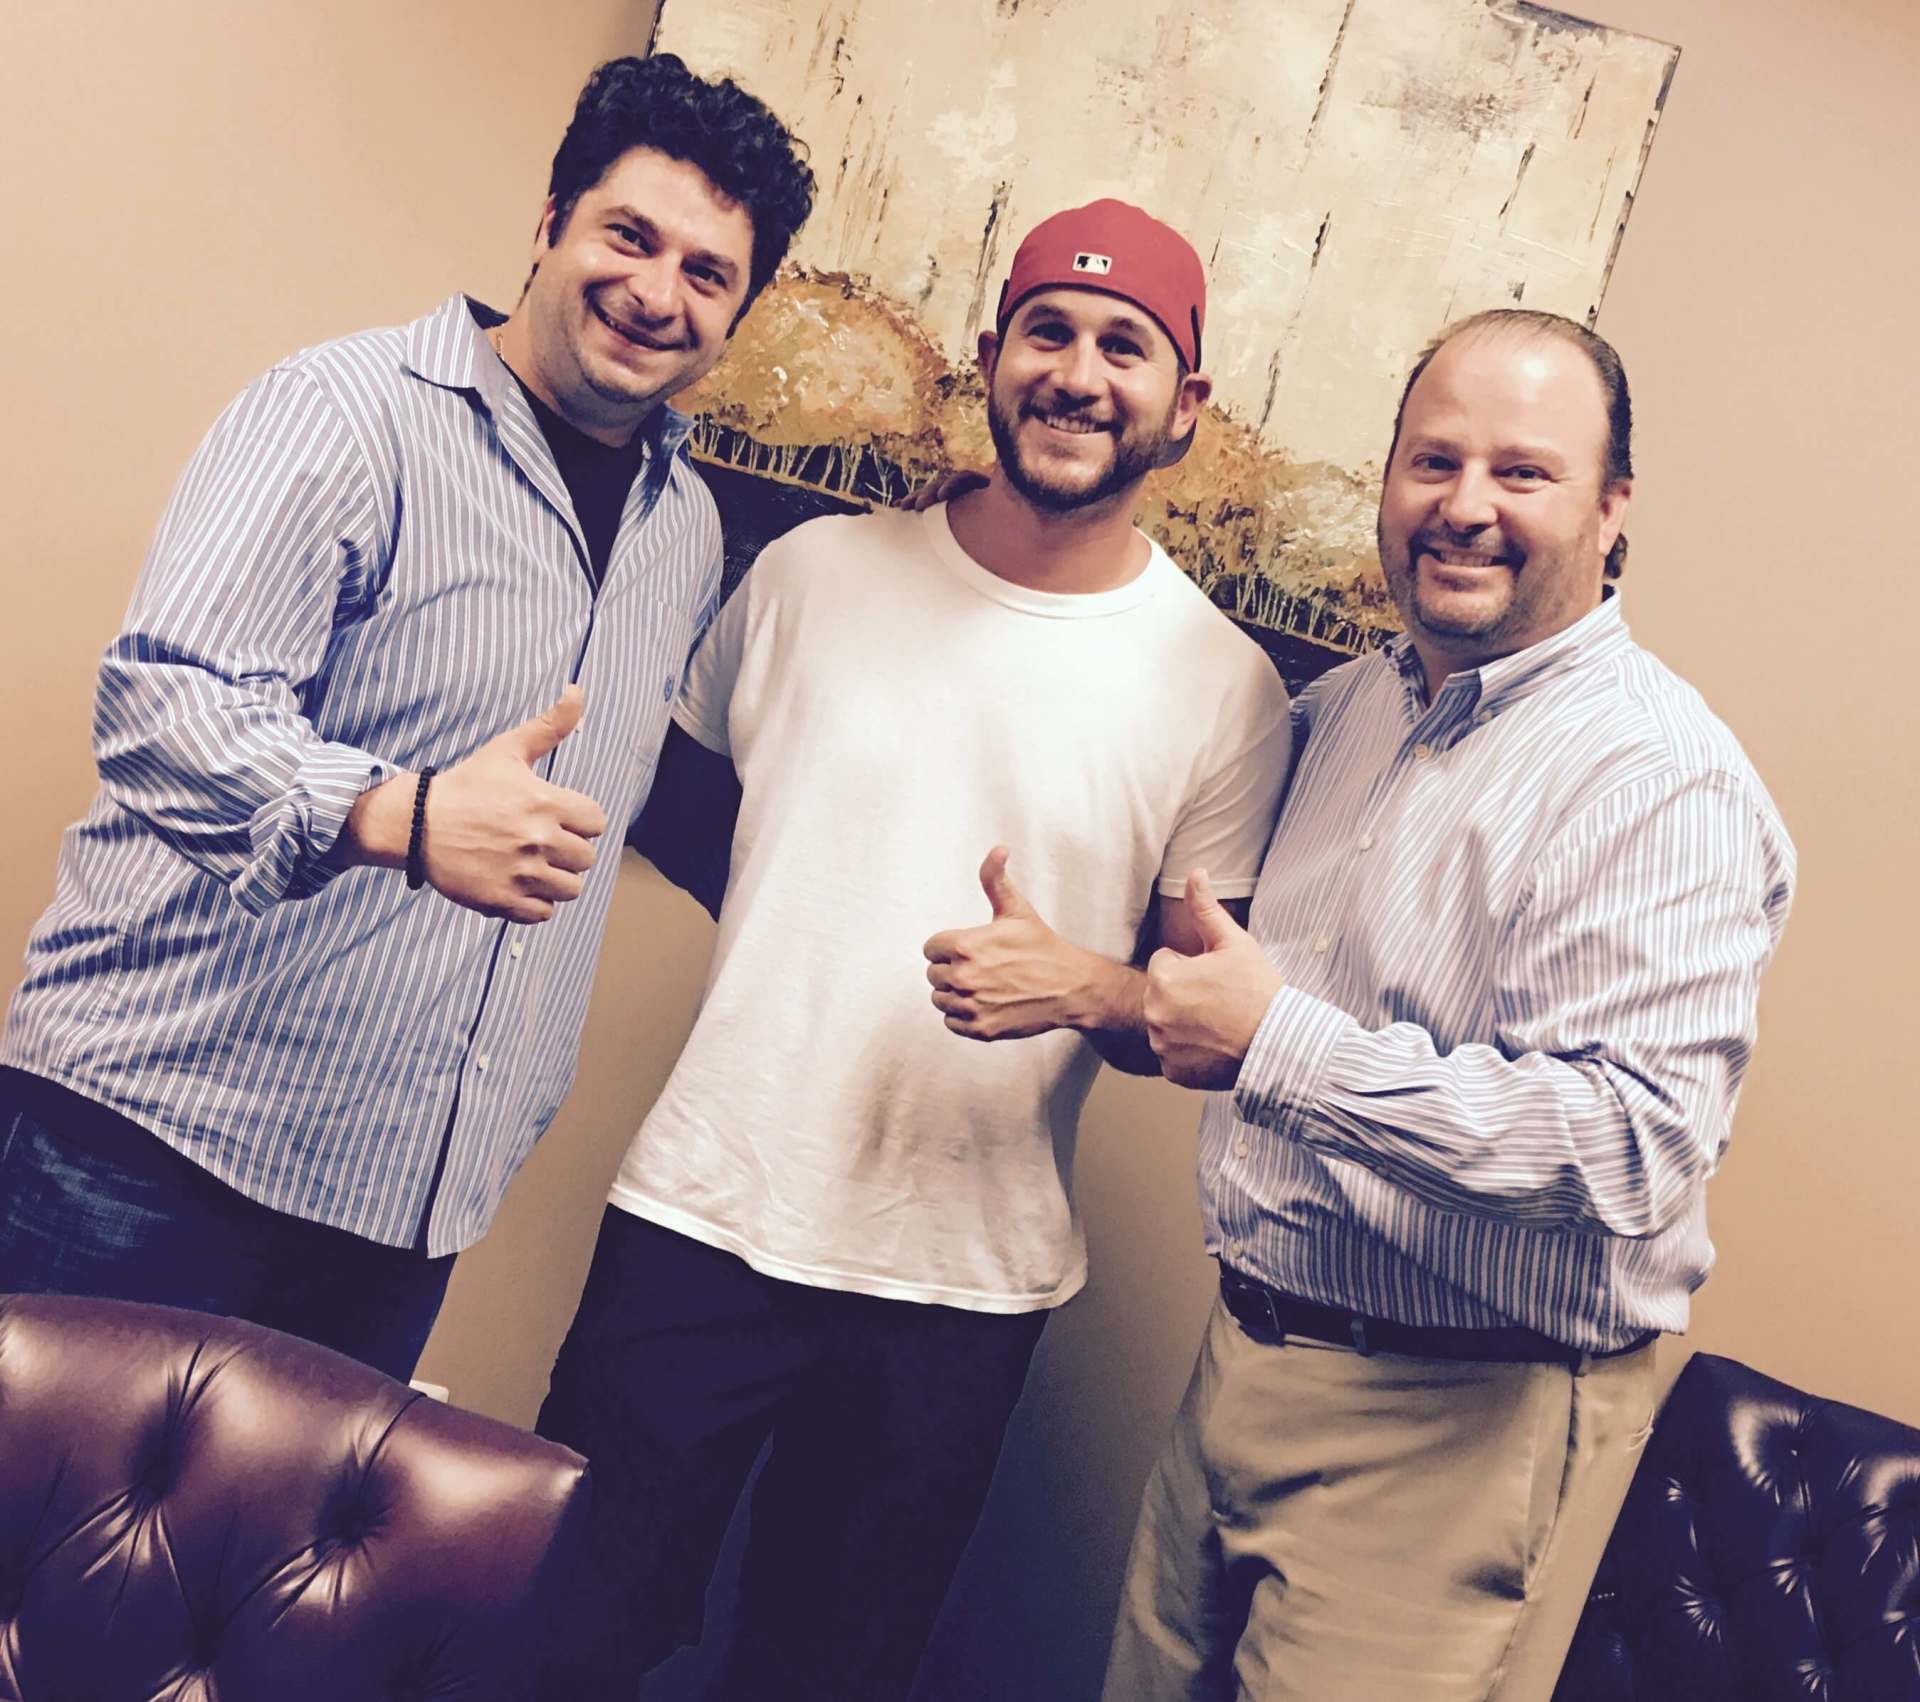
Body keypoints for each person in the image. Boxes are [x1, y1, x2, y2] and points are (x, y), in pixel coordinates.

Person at [534, 199, 1295, 1701]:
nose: (1079, 372)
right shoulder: (813, 575)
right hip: (703, 1207)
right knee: (554, 1637)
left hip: (962, 1278)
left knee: (826, 1673)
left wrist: (1084, 983)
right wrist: (814, 935)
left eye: (1124, 347)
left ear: (1185, 405)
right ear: (990, 356)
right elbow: (695, 814)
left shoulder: (1227, 690)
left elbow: (1203, 1018)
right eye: (1048, 332)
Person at [0, 54, 815, 1382]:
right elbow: (165, 706)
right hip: (152, 1158)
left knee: (265, 1600)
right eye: (629, 234)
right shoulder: (345, 414)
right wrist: (407, 812)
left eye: (708, 273)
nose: (657, 293)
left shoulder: (689, 527)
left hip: (397, 1211)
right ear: (549, 223)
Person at [1103, 308, 1796, 1701]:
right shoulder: (1346, 709)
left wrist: (1277, 1041)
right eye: (1433, 460)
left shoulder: (1661, 781)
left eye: (1522, 473)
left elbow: (1626, 1148)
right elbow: (1230, 987)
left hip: (1461, 1421)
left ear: (1613, 509)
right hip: (1244, 1361)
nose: (1463, 507)